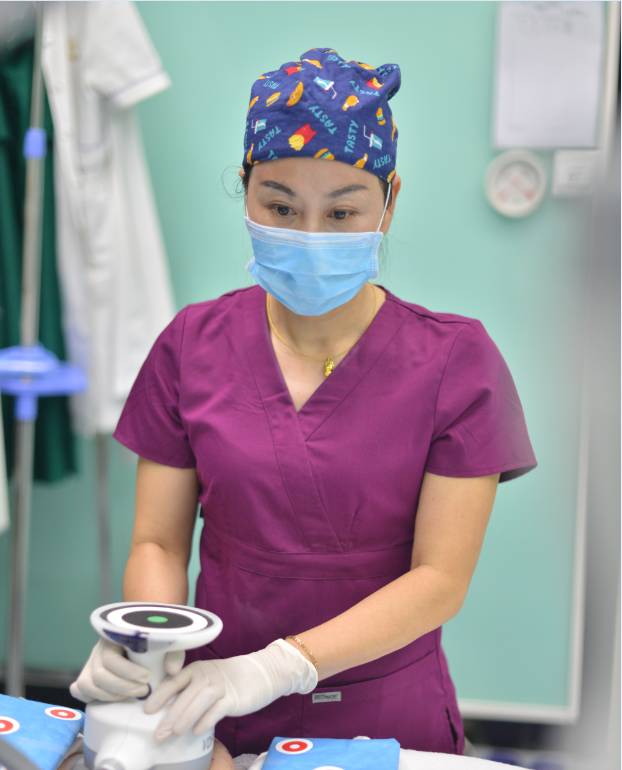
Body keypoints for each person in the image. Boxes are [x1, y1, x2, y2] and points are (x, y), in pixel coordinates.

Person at [69, 46, 538, 764]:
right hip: (208, 709)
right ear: (245, 188)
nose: (309, 235)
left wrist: (277, 668)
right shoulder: (192, 344)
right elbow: (158, 544)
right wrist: (150, 651)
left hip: (383, 721)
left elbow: (439, 580)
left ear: (390, 201)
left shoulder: (457, 362)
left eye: (342, 211)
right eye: (280, 206)